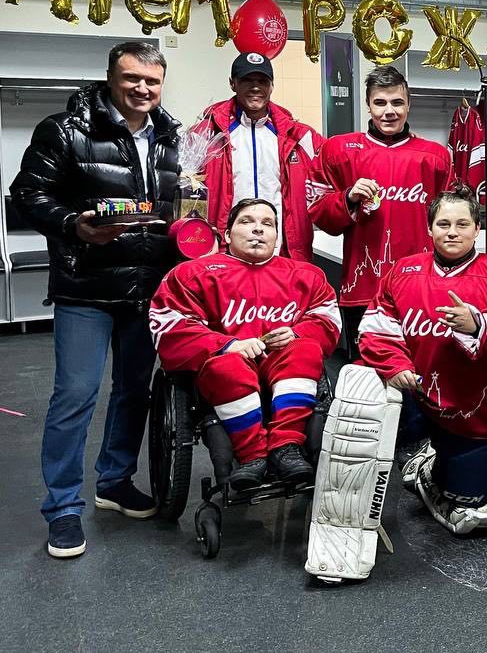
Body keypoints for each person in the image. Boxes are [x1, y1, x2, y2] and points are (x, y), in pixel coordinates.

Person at [11, 41, 180, 559]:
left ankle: (114, 481)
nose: (142, 89)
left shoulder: (173, 138)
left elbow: (176, 204)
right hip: (85, 287)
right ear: (110, 77)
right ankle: (63, 508)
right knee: (75, 396)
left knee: (134, 391)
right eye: (131, 78)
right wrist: (72, 226)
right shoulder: (65, 130)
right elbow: (28, 194)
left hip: (147, 288)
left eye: (151, 80)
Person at [359, 190, 487, 533]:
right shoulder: (403, 270)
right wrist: (395, 365)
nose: (452, 232)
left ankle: (431, 467)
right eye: (443, 224)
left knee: (468, 500)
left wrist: (479, 324)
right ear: (430, 229)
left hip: (476, 415)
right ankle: (418, 450)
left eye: (462, 224)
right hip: (417, 400)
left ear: (477, 230)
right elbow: (375, 326)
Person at [149, 199, 341, 491]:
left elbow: (326, 318)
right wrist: (226, 345)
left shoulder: (306, 276)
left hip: (283, 363)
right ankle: (253, 456)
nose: (258, 230)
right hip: (226, 367)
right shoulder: (192, 274)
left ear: (277, 236)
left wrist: (296, 333)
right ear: (226, 235)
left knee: (306, 348)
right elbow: (169, 324)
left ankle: (285, 448)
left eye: (268, 224)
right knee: (226, 366)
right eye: (247, 221)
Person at [309, 67, 452, 359]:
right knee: (366, 388)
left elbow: (452, 221)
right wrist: (347, 197)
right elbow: (318, 213)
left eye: (397, 103)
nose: (389, 111)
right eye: (380, 103)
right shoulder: (339, 150)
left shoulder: (435, 156)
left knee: (418, 378)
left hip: (420, 288)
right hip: (361, 287)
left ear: (408, 104)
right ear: (368, 104)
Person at [190, 51, 323, 260]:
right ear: (232, 83)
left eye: (262, 81)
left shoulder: (299, 136)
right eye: (246, 80)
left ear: (272, 86)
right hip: (224, 252)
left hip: (282, 253)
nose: (255, 87)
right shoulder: (206, 134)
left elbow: (333, 176)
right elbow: (187, 196)